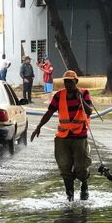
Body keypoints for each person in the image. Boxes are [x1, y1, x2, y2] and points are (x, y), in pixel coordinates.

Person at [30, 70, 93, 201]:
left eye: (70, 82)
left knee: (81, 167)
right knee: (64, 166)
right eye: (65, 82)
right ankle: (69, 195)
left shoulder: (84, 93)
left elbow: (89, 111)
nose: (67, 84)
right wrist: (38, 127)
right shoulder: (59, 96)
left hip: (79, 136)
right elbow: (49, 112)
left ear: (76, 82)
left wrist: (80, 99)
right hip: (63, 137)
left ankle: (84, 185)